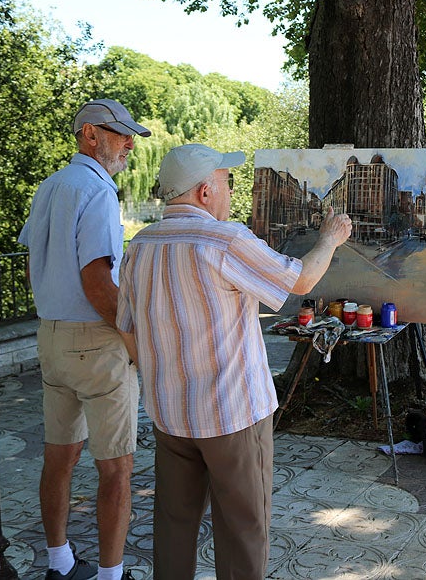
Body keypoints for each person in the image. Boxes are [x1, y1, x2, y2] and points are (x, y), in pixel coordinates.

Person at [116, 143, 352, 580]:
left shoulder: (141, 245)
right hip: (233, 413)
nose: (229, 191)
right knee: (243, 527)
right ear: (205, 191)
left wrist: (158, 379)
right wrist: (329, 240)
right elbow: (299, 278)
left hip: (171, 414)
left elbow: (127, 327)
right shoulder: (224, 239)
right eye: (227, 182)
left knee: (173, 522)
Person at [19, 99, 150, 580]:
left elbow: (36, 257)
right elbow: (98, 282)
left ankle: (59, 563)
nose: (130, 143)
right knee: (115, 469)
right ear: (90, 135)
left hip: (50, 338)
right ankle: (111, 576)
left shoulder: (50, 186)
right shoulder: (97, 191)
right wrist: (134, 338)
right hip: (94, 342)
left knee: (59, 457)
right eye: (121, 133)